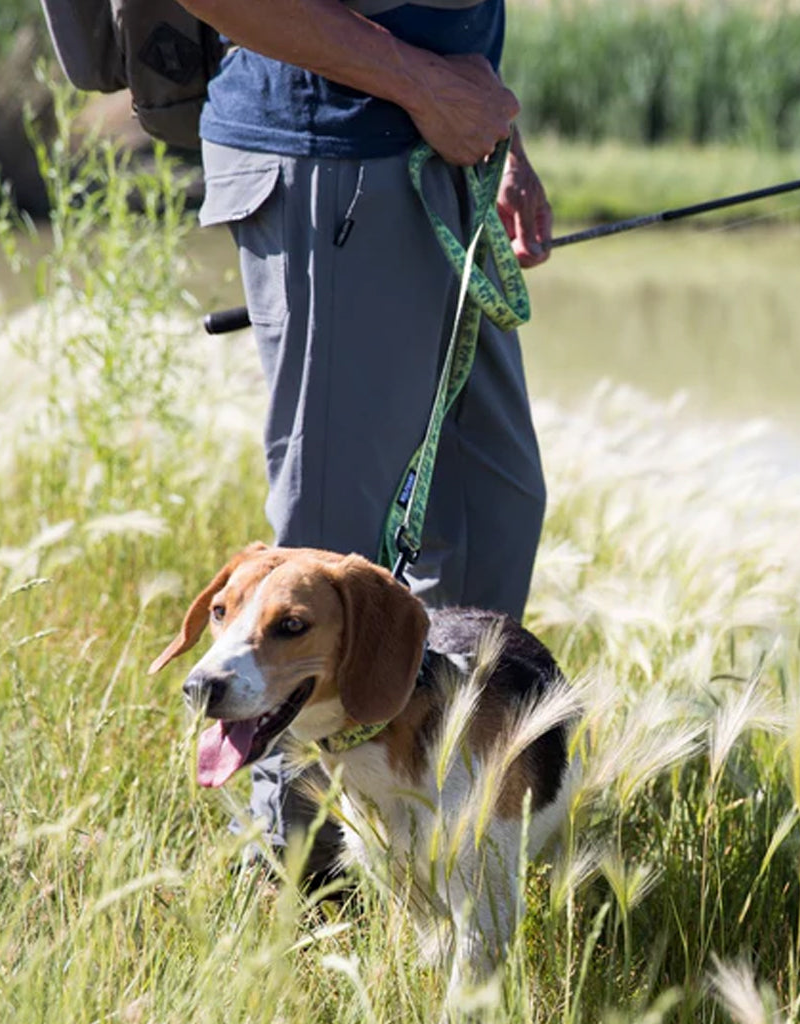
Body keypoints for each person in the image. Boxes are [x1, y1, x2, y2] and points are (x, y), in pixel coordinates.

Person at [175, 0, 553, 880]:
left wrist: (500, 143)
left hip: (443, 160)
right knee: (327, 544)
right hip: (331, 158)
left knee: (495, 504)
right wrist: (424, 87)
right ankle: (299, 878)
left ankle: (442, 846)